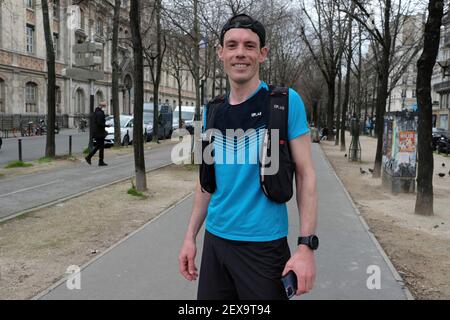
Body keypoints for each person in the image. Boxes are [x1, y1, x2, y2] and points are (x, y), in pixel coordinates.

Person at [178, 13, 318, 300]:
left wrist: (305, 247)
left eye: (249, 46)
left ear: (262, 54)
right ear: (220, 53)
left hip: (264, 248)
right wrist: (190, 236)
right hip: (215, 242)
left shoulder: (284, 103)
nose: (240, 53)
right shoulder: (212, 110)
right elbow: (206, 181)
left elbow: (306, 175)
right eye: (232, 45)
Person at [85, 101, 108, 166]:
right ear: (102, 106)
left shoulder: (95, 112)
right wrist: (106, 125)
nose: (105, 107)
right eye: (104, 106)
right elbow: (99, 123)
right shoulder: (100, 113)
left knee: (99, 146)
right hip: (99, 133)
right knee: (100, 146)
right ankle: (91, 158)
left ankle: (97, 159)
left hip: (96, 132)